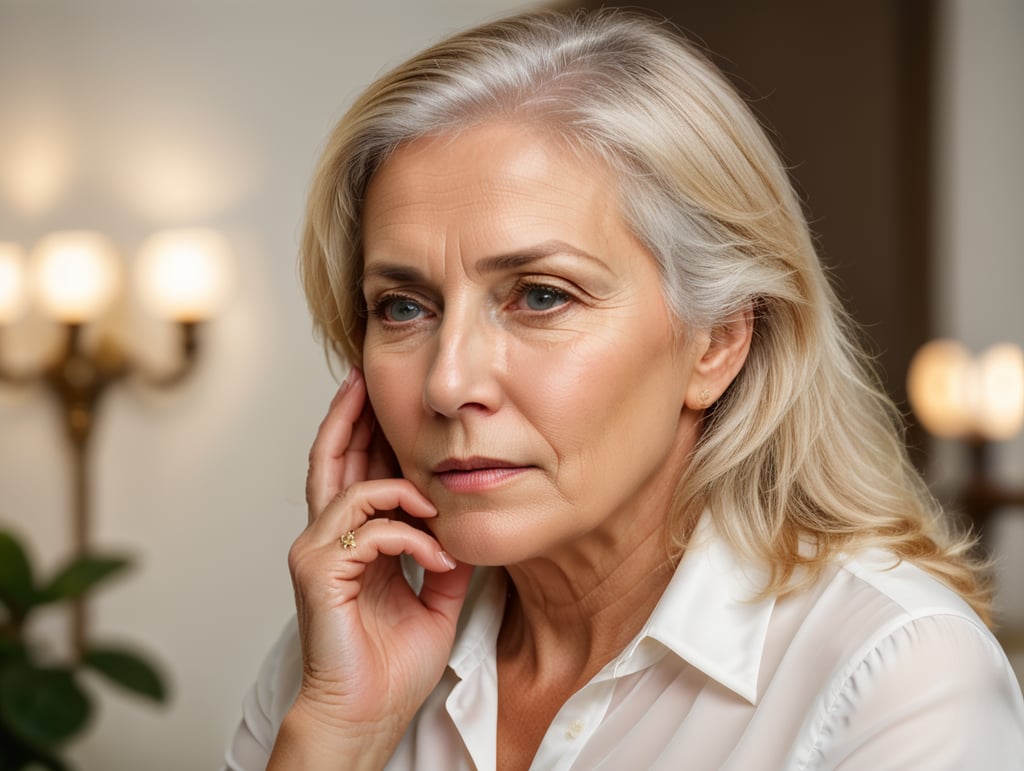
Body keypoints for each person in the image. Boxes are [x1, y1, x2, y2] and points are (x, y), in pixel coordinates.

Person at [224, 9, 1024, 770]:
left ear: (718, 340)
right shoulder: (338, 656)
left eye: (541, 295)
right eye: (403, 306)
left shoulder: (896, 674)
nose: (448, 381)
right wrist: (338, 731)